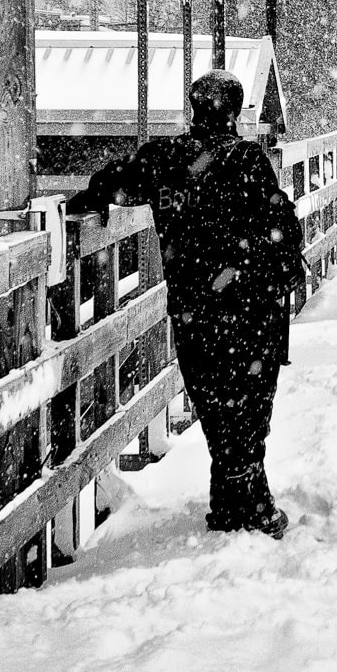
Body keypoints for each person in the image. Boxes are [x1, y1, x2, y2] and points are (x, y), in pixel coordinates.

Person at [66, 70, 292, 539]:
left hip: (195, 311)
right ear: (235, 111)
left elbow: (112, 181)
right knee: (249, 405)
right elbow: (282, 227)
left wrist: (85, 201)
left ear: (193, 109)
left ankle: (234, 501)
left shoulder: (162, 159)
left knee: (213, 402)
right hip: (248, 309)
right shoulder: (247, 159)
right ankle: (247, 498)